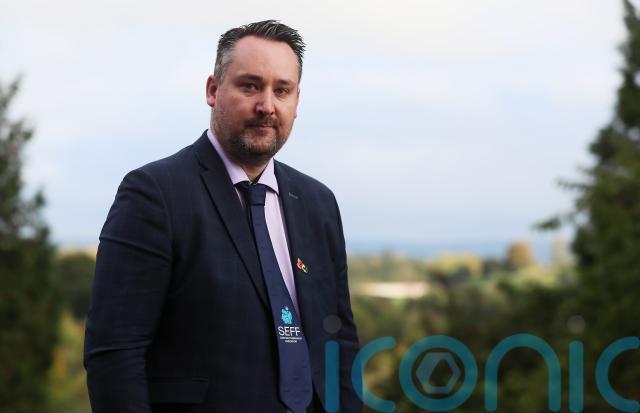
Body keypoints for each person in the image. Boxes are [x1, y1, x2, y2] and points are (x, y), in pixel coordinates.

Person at [83, 20, 362, 413]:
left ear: (297, 101)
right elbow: (115, 355)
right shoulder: (154, 194)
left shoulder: (318, 203)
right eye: (250, 86)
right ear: (213, 90)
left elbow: (340, 343)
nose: (267, 106)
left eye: (282, 90)